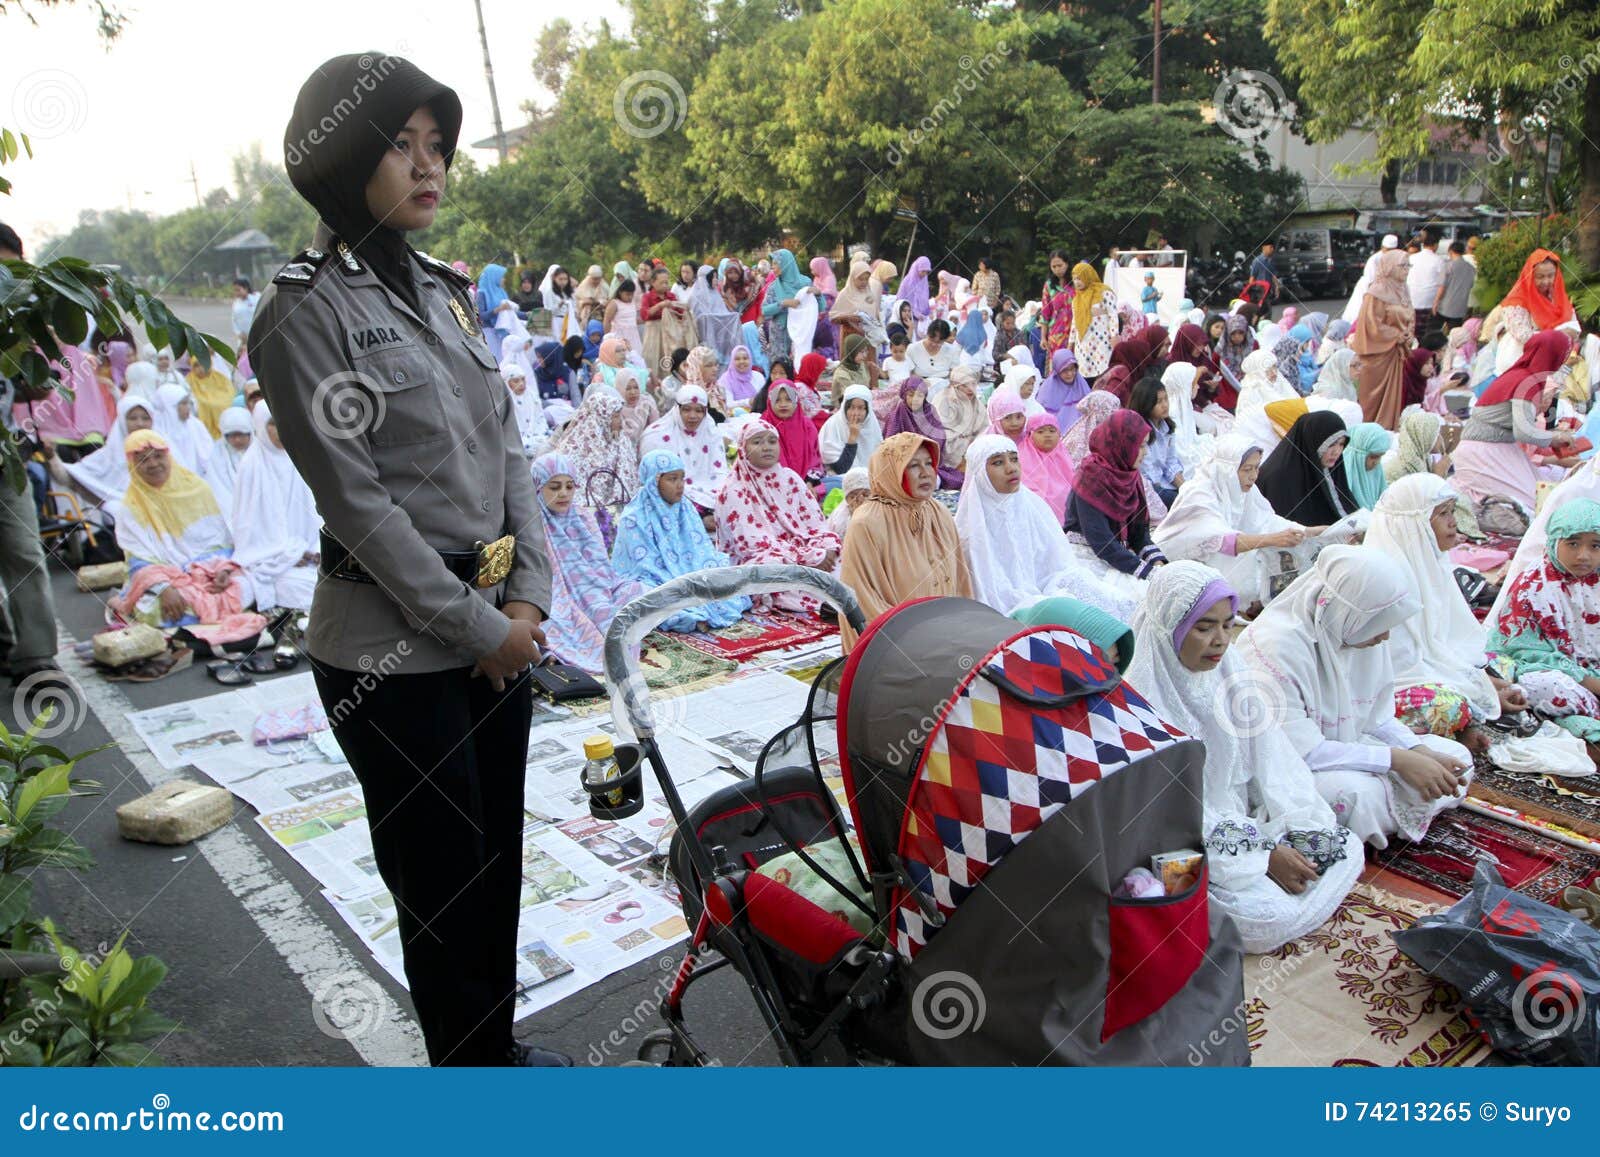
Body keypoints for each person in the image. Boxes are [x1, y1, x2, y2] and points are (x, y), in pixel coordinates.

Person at [249, 55, 562, 1068]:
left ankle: (495, 1051)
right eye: (400, 144)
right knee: (441, 886)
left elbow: (505, 449)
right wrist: (485, 631)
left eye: (438, 146)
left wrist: (526, 597)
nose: (429, 166)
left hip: (493, 632)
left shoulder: (448, 291)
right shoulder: (302, 311)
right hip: (392, 653)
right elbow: (362, 510)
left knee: (498, 862)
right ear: (341, 156)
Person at [1125, 561, 1362, 952]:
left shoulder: (1231, 674)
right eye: (1204, 627)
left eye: (1227, 624)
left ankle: (1270, 895)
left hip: (1243, 822)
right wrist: (1264, 856)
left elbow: (1275, 760)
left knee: (1346, 846)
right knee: (1264, 917)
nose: (1220, 640)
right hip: (1180, 842)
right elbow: (1167, 813)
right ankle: (1266, 905)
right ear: (1171, 627)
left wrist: (1293, 828)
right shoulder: (1141, 700)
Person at [1234, 546, 1472, 848]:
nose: (1384, 637)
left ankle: (1377, 825)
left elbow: (1377, 718)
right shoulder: (1276, 647)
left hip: (1349, 747)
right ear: (1349, 611)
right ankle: (1374, 822)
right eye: (1377, 625)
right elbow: (1299, 752)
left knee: (1457, 759)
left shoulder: (1358, 635)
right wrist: (1396, 760)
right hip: (1292, 767)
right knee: (1355, 795)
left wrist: (1417, 751)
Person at [1367, 475, 1531, 749]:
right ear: (1412, 524)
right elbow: (1402, 669)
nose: (1453, 522)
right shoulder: (1384, 579)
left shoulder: (1433, 562)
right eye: (1442, 514)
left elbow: (1442, 647)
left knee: (1503, 663)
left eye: (1452, 511)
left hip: (1429, 672)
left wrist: (1488, 684)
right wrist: (1482, 692)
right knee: (1447, 707)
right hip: (1382, 692)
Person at [956, 433, 1134, 619]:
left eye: (1014, 459)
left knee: (1115, 602)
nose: (1011, 469)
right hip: (1012, 606)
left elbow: (1057, 564)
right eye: (998, 463)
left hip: (1048, 585)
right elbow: (991, 590)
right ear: (980, 472)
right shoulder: (970, 527)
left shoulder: (1032, 504)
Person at [838, 432, 971, 651]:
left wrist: (962, 629)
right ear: (891, 471)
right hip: (898, 647)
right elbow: (861, 599)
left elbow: (960, 578)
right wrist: (916, 643)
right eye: (913, 465)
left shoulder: (938, 512)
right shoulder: (867, 522)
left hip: (949, 638)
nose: (926, 473)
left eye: (929, 463)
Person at [107, 431, 248, 627]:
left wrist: (222, 570)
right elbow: (138, 561)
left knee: (248, 587)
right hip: (167, 579)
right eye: (143, 460)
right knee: (159, 608)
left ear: (169, 456)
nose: (153, 464)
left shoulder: (198, 489)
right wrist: (165, 589)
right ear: (132, 465)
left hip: (209, 570)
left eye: (158, 456)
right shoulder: (130, 508)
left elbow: (221, 541)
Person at [1153, 434, 1306, 609]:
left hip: (1214, 561)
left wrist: (1309, 532)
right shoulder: (1198, 494)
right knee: (1249, 551)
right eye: (1247, 469)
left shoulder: (1243, 489)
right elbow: (1222, 542)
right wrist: (1273, 539)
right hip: (1181, 565)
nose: (1254, 476)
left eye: (1256, 468)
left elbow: (1267, 521)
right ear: (1228, 469)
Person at [612, 448, 752, 632]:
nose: (680, 485)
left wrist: (690, 576)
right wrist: (676, 579)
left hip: (690, 570)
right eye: (672, 479)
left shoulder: (686, 508)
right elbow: (642, 565)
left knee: (729, 578)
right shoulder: (634, 517)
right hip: (654, 577)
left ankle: (694, 607)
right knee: (639, 595)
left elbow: (701, 549)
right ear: (654, 481)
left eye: (682, 478)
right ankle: (688, 613)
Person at [529, 453, 643, 674]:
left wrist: (594, 593)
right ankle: (554, 653)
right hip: (552, 594)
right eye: (554, 487)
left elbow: (600, 564)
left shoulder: (582, 517)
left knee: (635, 593)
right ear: (538, 488)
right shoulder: (531, 522)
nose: (563, 493)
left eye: (570, 486)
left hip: (593, 587)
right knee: (552, 618)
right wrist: (568, 596)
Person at [714, 421, 841, 615]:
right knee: (769, 570)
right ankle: (822, 604)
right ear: (743, 448)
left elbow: (816, 523)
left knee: (843, 558)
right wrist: (808, 557)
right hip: (761, 558)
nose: (766, 447)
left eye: (772, 441)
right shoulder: (734, 488)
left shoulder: (789, 477)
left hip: (799, 551)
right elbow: (752, 546)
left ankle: (831, 597)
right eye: (757, 442)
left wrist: (826, 549)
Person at [1451, 331, 1576, 514]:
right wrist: (1555, 437)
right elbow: (1523, 432)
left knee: (1541, 497)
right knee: (1531, 505)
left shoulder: (1520, 374)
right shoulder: (1527, 380)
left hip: (1494, 449)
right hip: (1483, 453)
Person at [229, 402, 320, 614]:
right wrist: (289, 554)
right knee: (301, 587)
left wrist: (316, 550)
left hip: (308, 552)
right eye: (272, 424)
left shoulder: (299, 459)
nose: (281, 431)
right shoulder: (252, 464)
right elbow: (248, 530)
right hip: (270, 558)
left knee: (335, 580)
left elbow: (315, 516)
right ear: (261, 426)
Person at [1064, 410, 1167, 582]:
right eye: (1140, 446)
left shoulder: (1129, 475)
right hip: (1088, 555)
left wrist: (1157, 563)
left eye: (1146, 445)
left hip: (1118, 553)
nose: (1146, 452)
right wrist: (1146, 572)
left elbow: (1138, 532)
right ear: (1122, 446)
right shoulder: (1090, 478)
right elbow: (1102, 542)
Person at [637, 383, 728, 512]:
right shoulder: (655, 436)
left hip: (709, 492)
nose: (693, 416)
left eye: (699, 410)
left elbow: (720, 473)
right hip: (671, 497)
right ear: (677, 409)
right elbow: (652, 483)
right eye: (686, 409)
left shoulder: (710, 430)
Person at [1351, 249, 1416, 429]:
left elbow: (1410, 314)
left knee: (1393, 396)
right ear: (1390, 267)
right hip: (1377, 354)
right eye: (1402, 266)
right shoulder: (1377, 291)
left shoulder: (1403, 290)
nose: (1406, 270)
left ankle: (1387, 428)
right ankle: (1367, 431)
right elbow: (1371, 324)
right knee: (1372, 398)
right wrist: (1396, 335)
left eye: (1408, 265)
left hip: (1395, 352)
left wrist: (1409, 332)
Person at [1255, 410, 1354, 527]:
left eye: (1341, 444)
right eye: (1331, 444)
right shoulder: (1278, 477)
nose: (1337, 452)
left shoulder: (1327, 469)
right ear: (1312, 442)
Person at [556, 386, 638, 509]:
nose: (620, 422)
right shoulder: (574, 448)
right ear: (601, 418)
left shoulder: (620, 441)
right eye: (615, 416)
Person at [883, 376, 961, 489]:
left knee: (936, 480)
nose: (915, 399)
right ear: (904, 395)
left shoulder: (930, 411)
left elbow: (939, 437)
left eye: (919, 395)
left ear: (925, 397)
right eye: (911, 395)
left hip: (927, 458)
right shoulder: (897, 414)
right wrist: (910, 450)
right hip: (904, 462)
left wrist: (923, 449)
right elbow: (889, 443)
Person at [1129, 374, 1183, 506]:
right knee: (1180, 503)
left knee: (1192, 496)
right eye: (1159, 402)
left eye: (1166, 399)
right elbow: (1147, 473)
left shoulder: (1167, 427)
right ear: (1146, 404)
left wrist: (1184, 487)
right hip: (1146, 487)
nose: (1165, 405)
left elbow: (1170, 462)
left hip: (1163, 484)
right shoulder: (1139, 432)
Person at [818, 383, 883, 476]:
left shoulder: (872, 426)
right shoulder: (833, 426)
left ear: (868, 410)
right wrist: (852, 438)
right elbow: (840, 469)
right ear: (845, 407)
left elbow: (879, 463)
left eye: (861, 408)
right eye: (851, 408)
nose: (855, 413)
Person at [760, 248, 811, 364]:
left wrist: (817, 294)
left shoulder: (805, 283)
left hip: (801, 333)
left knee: (801, 365)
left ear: (786, 264)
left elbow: (820, 307)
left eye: (775, 264)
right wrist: (783, 304)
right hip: (780, 335)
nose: (772, 267)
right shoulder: (773, 287)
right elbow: (764, 311)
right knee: (780, 367)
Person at [1069, 262, 1117, 377]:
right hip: (1083, 344)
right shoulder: (1076, 299)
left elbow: (1113, 315)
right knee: (1084, 374)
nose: (1077, 282)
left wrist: (1114, 335)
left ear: (1088, 275)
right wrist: (1071, 343)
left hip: (1101, 341)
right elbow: (1075, 322)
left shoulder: (1104, 293)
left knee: (1103, 372)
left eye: (1080, 278)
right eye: (1075, 279)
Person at [206, 406, 254, 513]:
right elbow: (218, 489)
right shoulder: (216, 456)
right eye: (232, 435)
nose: (237, 440)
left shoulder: (260, 452)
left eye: (241, 434)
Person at [1381, 409, 1449, 484]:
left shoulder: (1425, 459)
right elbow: (1424, 494)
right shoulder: (1401, 468)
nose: (1440, 438)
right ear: (1423, 436)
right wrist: (1437, 476)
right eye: (1436, 434)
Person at [1341, 421, 1392, 510]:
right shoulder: (1342, 477)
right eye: (1373, 457)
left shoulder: (1376, 473)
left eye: (1380, 457)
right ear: (1357, 455)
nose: (1376, 462)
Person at [185, 353, 237, 438]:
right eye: (197, 366)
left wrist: (218, 401)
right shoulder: (189, 380)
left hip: (223, 401)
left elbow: (230, 391)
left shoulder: (219, 376)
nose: (201, 368)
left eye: (203, 364)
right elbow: (189, 396)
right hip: (202, 404)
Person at [904, 319, 960, 396]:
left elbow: (955, 373)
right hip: (919, 387)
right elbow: (908, 372)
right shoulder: (912, 349)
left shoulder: (952, 350)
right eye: (931, 340)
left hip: (943, 387)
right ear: (927, 334)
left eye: (939, 342)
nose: (934, 344)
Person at [1037, 251, 1075, 356]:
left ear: (1067, 264)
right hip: (1056, 333)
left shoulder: (1076, 283)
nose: (1057, 269)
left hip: (1076, 331)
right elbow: (1045, 314)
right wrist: (1043, 337)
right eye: (1054, 267)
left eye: (1060, 265)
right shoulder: (1049, 286)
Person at [1434, 240, 1476, 332]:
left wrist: (1435, 302)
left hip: (1444, 307)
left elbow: (1442, 287)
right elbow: (1471, 285)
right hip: (1460, 308)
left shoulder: (1448, 266)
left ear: (1450, 251)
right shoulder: (1471, 268)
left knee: (1435, 332)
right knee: (1455, 334)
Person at [825, 466, 870, 539]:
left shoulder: (878, 514)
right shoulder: (840, 515)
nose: (860, 500)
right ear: (846, 498)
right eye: (853, 497)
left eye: (865, 495)